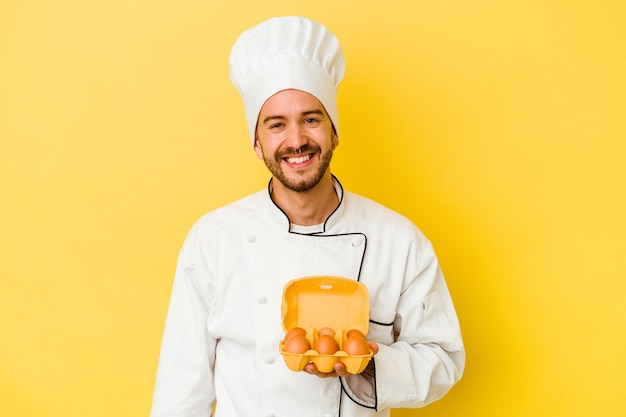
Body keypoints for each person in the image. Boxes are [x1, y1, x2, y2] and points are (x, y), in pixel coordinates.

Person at [150, 16, 465, 417]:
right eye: (276, 124)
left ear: (334, 131)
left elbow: (444, 357)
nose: (296, 140)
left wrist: (368, 363)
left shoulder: (398, 241)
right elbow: (181, 389)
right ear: (258, 143)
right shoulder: (213, 240)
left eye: (311, 119)